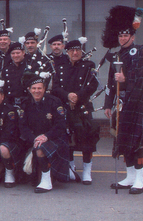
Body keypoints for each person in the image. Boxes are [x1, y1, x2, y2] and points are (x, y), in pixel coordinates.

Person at [102, 6, 143, 194]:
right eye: (120, 36)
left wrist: (126, 80)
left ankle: (140, 180)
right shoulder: (116, 55)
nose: (123, 39)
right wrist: (108, 104)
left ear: (133, 36)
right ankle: (130, 177)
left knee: (136, 141)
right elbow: (109, 82)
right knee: (123, 140)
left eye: (126, 36)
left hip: (136, 103)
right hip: (119, 104)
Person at [52, 38, 99, 184]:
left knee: (87, 140)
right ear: (67, 51)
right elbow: (55, 88)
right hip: (66, 108)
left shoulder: (89, 65)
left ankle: (87, 171)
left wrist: (78, 96)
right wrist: (68, 96)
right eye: (72, 50)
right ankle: (71, 168)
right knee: (68, 139)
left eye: (78, 50)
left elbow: (93, 85)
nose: (75, 52)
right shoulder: (60, 67)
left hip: (82, 108)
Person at [19, 72, 70, 193]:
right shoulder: (25, 104)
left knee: (41, 149)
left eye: (39, 88)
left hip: (54, 137)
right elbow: (23, 127)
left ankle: (46, 181)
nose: (37, 91)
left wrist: (46, 136)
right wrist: (35, 139)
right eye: (34, 88)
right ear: (29, 90)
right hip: (35, 138)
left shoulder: (54, 102)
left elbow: (60, 125)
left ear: (44, 89)